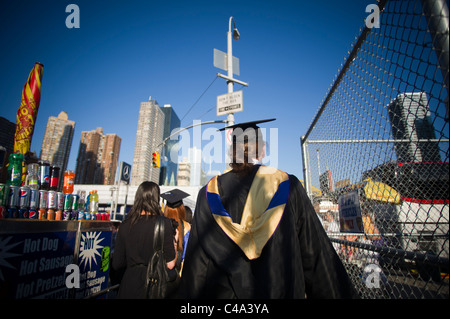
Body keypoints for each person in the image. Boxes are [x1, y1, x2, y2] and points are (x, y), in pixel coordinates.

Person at [179, 119, 358, 299]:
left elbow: (197, 265)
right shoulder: (287, 187)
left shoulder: (210, 193)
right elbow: (316, 257)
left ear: (232, 154)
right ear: (262, 149)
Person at [110, 181, 178, 299]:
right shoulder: (164, 224)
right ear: (156, 199)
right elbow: (171, 264)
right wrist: (175, 243)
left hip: (129, 285)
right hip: (154, 285)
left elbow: (117, 264)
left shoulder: (125, 225)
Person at [161, 188, 191, 272]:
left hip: (158, 272)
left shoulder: (159, 224)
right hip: (178, 274)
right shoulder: (186, 227)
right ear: (181, 208)